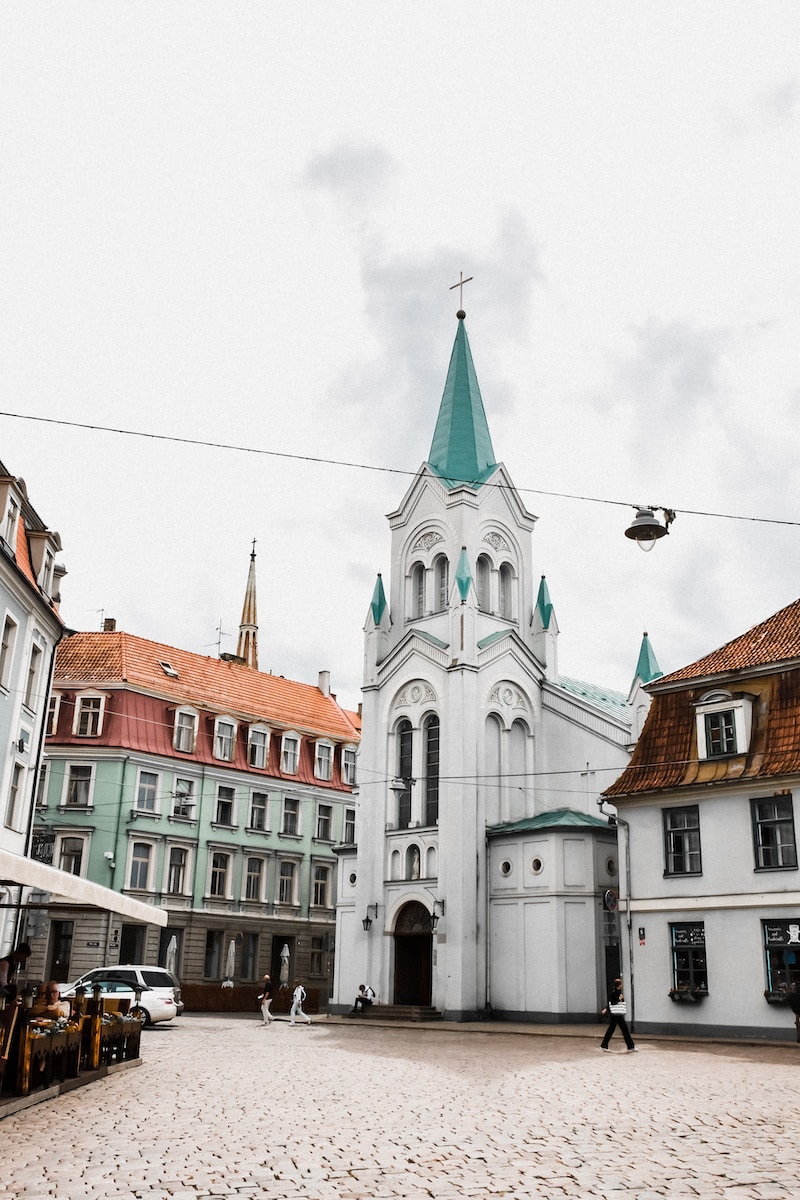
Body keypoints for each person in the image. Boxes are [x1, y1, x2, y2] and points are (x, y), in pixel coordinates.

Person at [600, 977, 636, 1052]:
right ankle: (630, 1046)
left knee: (613, 1030)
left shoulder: (617, 992)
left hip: (617, 1014)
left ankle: (604, 1045)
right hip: (616, 1014)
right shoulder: (615, 992)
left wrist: (621, 999)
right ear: (618, 985)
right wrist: (619, 999)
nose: (622, 985)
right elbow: (612, 1002)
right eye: (621, 984)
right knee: (623, 1029)